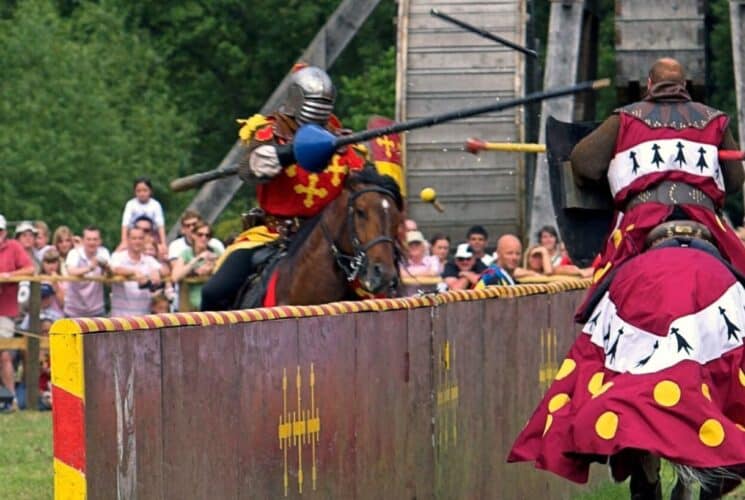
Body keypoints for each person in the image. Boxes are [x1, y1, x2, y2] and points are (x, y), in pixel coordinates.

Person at [509, 58, 745, 495]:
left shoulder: (626, 118)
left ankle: (637, 459)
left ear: (650, 85)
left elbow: (582, 164)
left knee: (605, 330)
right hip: (703, 235)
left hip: (644, 238)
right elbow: (735, 181)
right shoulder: (715, 120)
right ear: (686, 87)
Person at [201, 64, 367, 310]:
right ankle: (209, 346)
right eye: (313, 101)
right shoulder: (270, 132)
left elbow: (362, 188)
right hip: (273, 235)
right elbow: (252, 169)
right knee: (215, 291)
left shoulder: (341, 145)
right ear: (296, 99)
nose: (318, 109)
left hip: (327, 240)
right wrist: (291, 152)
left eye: (324, 102)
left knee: (375, 292)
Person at [0, 214, 35, 411]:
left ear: (4, 232)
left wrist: (8, 276)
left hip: (5, 310)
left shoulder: (13, 247)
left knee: (4, 354)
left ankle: (11, 398)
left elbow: (29, 269)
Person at [110, 227, 163, 317]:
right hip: (120, 318)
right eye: (134, 238)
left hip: (143, 317)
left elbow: (166, 270)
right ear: (128, 240)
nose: (137, 241)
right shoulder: (118, 256)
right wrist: (133, 272)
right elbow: (113, 269)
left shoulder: (149, 260)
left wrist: (157, 271)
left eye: (140, 238)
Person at [171, 220, 222, 310]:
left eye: (207, 235)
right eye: (200, 234)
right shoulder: (185, 253)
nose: (204, 238)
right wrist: (197, 259)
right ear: (193, 235)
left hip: (213, 305)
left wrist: (213, 267)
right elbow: (175, 277)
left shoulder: (216, 252)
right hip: (190, 306)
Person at [64, 226, 111, 318]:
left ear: (100, 241)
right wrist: (90, 267)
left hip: (97, 310)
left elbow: (109, 276)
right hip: (74, 311)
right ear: (83, 240)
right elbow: (71, 271)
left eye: (95, 239)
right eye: (89, 239)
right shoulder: (74, 253)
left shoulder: (103, 252)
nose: (92, 242)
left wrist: (106, 268)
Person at [119, 177, 167, 257]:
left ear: (150, 191)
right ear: (135, 192)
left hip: (151, 236)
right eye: (139, 191)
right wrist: (124, 241)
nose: (142, 193)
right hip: (134, 235)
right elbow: (125, 224)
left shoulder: (155, 205)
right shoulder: (130, 204)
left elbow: (160, 225)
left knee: (163, 253)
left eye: (145, 190)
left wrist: (163, 243)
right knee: (120, 252)